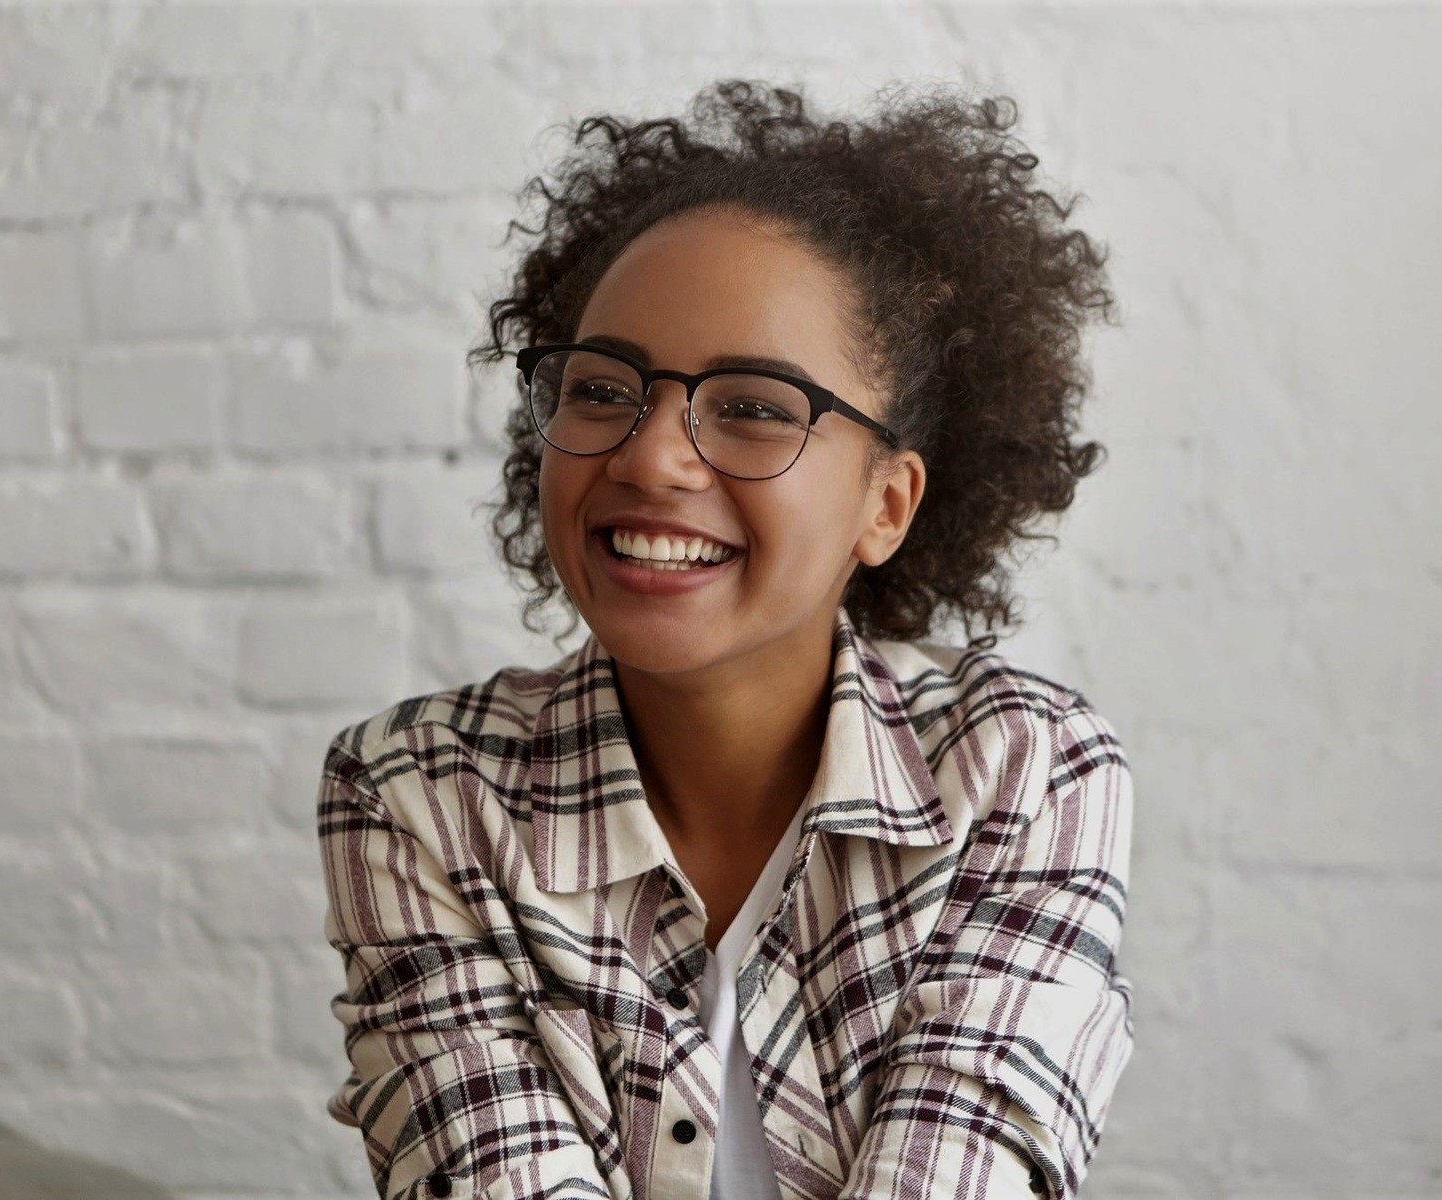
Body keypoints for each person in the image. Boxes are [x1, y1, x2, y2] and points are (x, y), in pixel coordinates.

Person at [317, 79, 1134, 1200]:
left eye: (753, 406)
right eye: (605, 388)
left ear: (885, 506)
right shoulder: (421, 794)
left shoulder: (1024, 771)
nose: (651, 456)